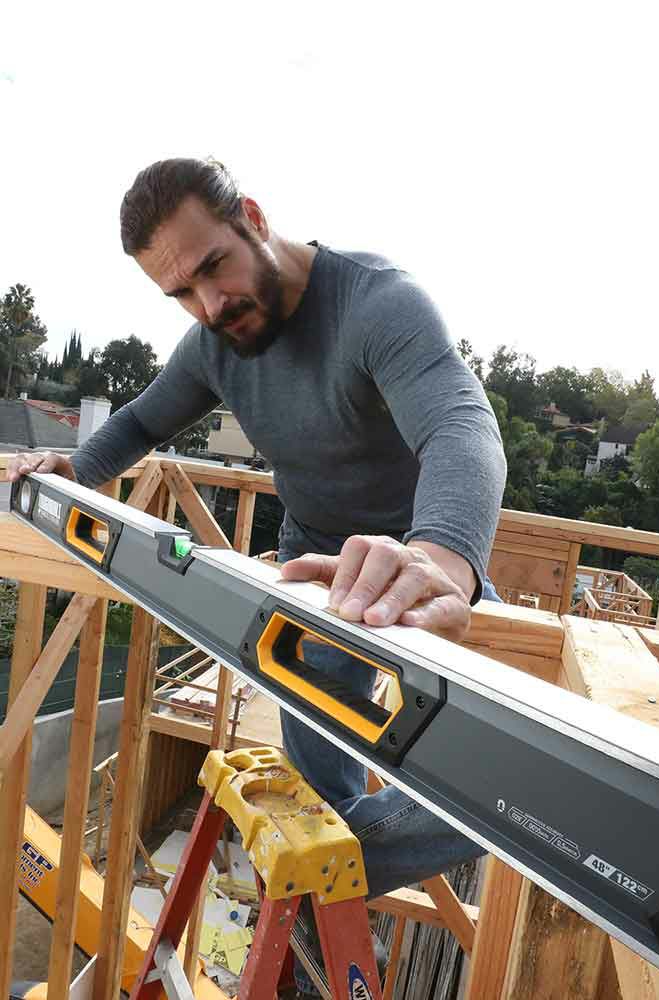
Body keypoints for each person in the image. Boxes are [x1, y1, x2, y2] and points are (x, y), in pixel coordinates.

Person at [7, 158, 506, 961]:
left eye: (214, 267)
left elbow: (459, 423)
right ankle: (319, 919)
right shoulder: (214, 344)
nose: (211, 306)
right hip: (314, 577)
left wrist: (443, 558)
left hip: (416, 570)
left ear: (253, 216)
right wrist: (77, 468)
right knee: (317, 793)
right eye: (181, 293)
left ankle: (315, 886)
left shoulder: (378, 304)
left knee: (504, 791)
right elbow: (138, 423)